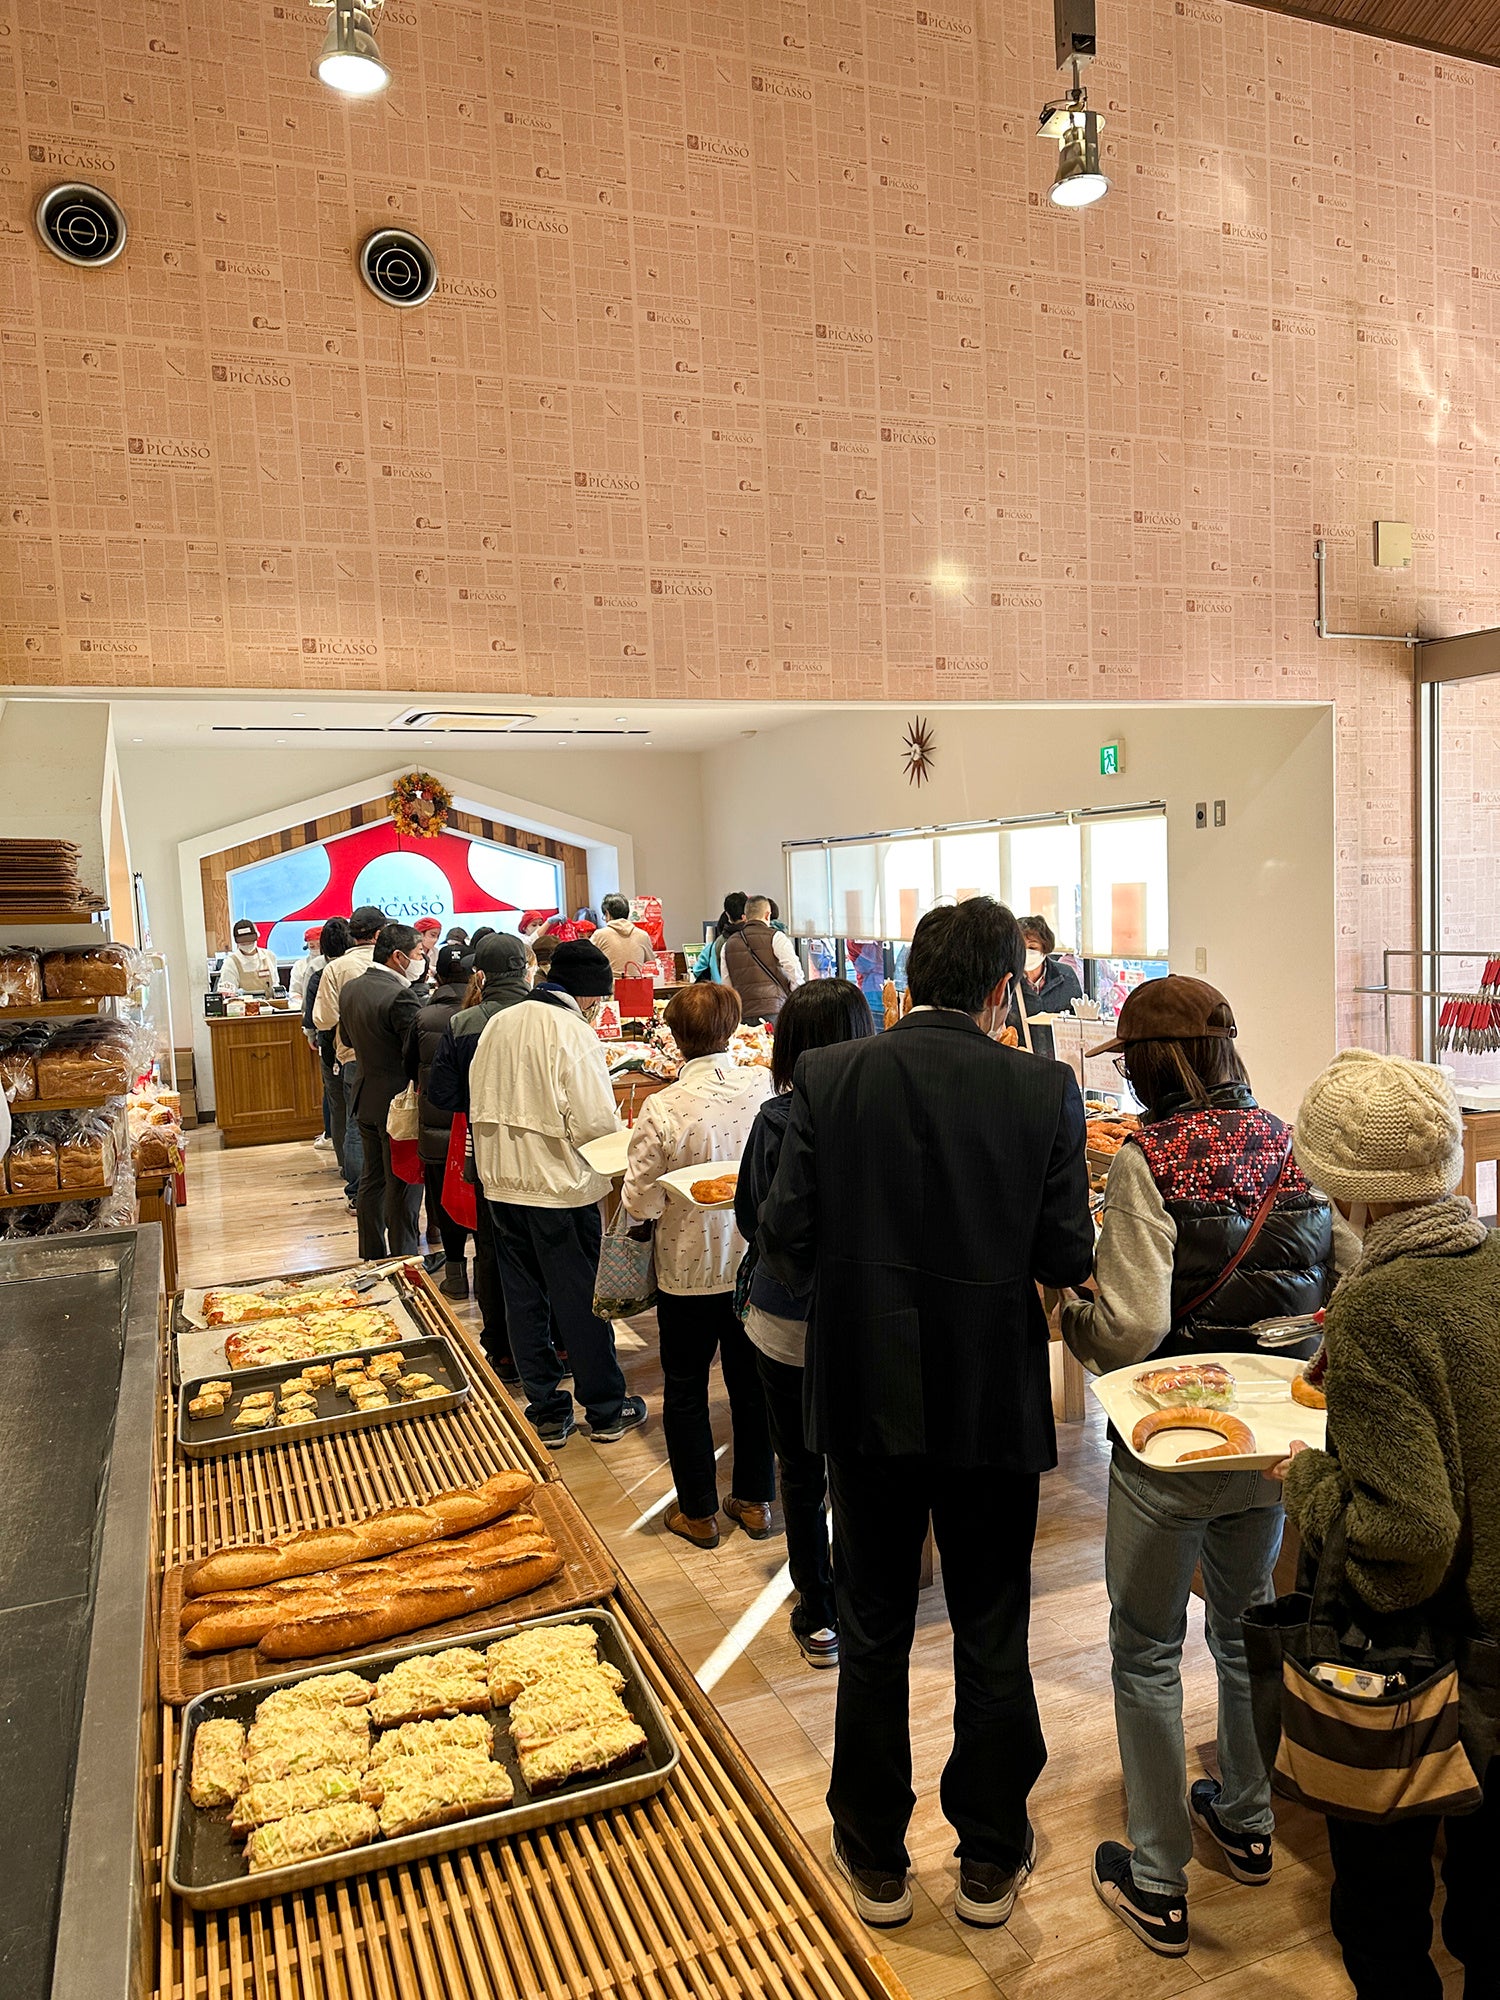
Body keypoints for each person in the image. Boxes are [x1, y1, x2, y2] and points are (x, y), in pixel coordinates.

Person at [757, 897, 1092, 1931]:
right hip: (989, 1389)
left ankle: (873, 1851)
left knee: (873, 1624)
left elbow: (787, 1234)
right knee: (991, 1622)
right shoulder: (1043, 1086)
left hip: (863, 1389)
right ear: (1005, 989)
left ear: (906, 979)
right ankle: (990, 1853)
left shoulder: (828, 1076)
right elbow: (1065, 1254)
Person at [1060, 976, 1342, 1958]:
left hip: (1170, 1438)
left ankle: (1155, 1876)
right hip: (1271, 1443)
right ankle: (1251, 1821)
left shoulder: (1150, 1155)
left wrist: (1071, 1318)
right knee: (1238, 1629)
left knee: (1142, 1651)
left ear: (1149, 1060)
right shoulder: (1290, 1138)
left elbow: (1131, 1320)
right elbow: (1333, 1278)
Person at [1275, 1050, 1500, 2000]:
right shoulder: (1490, 1261)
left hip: (1426, 1667)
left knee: (1383, 1917)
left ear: (1350, 1192)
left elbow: (1406, 1542)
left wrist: (1313, 1480)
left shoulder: (1377, 1306)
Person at [735, 979, 873, 1662]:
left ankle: (818, 1613)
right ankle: (862, 1601)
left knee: (798, 1467)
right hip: (868, 1322)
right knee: (860, 1464)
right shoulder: (893, 1115)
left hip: (787, 1319)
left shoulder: (777, 1119)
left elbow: (749, 1217)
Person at [468, 939, 646, 1449]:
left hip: (502, 1182)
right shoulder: (573, 1032)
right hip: (559, 1188)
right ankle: (607, 1409)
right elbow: (592, 1123)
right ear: (587, 996)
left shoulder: (500, 1022)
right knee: (580, 1301)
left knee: (522, 1299)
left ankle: (546, 1411)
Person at [621, 983, 774, 1549]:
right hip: (752, 1261)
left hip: (685, 1271)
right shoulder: (762, 1086)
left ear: (675, 1038)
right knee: (751, 1385)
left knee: (684, 1388)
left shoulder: (662, 1106)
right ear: (733, 1029)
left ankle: (699, 1513)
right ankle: (757, 1501)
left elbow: (640, 1201)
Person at [426, 932, 534, 1379]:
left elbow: (443, 1094)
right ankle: (554, 1349)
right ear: (525, 970)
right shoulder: (552, 1016)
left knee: (492, 1250)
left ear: (482, 974)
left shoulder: (463, 1023)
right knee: (549, 1251)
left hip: (488, 1152)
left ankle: (503, 1353)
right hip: (546, 1152)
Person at [339, 922, 424, 1259]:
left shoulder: (352, 988)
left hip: (365, 1094)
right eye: (420, 953)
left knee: (372, 1180)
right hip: (398, 1104)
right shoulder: (401, 995)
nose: (423, 960)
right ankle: (405, 1257)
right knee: (402, 1184)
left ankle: (372, 1253)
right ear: (399, 957)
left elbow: (346, 1039)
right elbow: (414, 1052)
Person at [405, 944, 472, 1300]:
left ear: (438, 975)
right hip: (476, 1125)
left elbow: (409, 1068)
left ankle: (456, 1274)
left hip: (435, 1126)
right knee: (480, 1196)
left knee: (443, 1200)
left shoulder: (423, 1015)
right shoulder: (484, 1013)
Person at [313, 904, 386, 1216]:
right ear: (379, 933)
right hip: (389, 1054)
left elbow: (323, 1019)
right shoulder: (391, 961)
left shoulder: (335, 968)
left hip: (352, 1055)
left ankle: (358, 1194)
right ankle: (394, 1191)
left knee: (357, 1125)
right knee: (394, 1124)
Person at [304, 918, 351, 1162]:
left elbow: (313, 1018)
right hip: (360, 1046)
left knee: (338, 1105)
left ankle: (346, 1165)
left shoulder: (318, 974)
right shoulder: (363, 968)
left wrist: (312, 1036)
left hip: (330, 1046)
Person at [1008, 916, 1084, 1059]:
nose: (1026, 953)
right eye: (1021, 947)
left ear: (1045, 948)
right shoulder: (1008, 979)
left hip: (1059, 1060)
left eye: (1032, 947)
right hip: (1020, 1060)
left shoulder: (1066, 975)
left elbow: (1078, 1021)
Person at [722, 895, 804, 1024]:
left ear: (745, 916)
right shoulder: (776, 937)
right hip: (775, 1009)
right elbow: (794, 970)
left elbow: (727, 983)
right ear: (767, 915)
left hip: (743, 1012)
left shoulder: (728, 944)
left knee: (750, 1044)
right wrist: (796, 999)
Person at [591, 894, 655, 978]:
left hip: (609, 988)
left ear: (607, 913)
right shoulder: (643, 935)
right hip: (637, 987)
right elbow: (651, 964)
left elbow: (587, 963)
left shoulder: (599, 935)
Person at [692, 892, 747, 982]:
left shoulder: (719, 942)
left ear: (727, 914)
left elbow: (697, 970)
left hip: (723, 992)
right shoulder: (755, 936)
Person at [218, 920, 279, 998]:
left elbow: (275, 984)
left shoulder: (269, 956)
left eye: (250, 941)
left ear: (257, 936)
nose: (247, 944)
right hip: (242, 1007)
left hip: (270, 1006)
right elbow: (229, 994)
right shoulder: (230, 963)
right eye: (243, 943)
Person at [287, 925, 324, 1013]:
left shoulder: (332, 963)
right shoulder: (300, 965)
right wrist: (305, 1006)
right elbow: (295, 992)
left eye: (319, 945)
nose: (316, 949)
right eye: (312, 946)